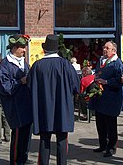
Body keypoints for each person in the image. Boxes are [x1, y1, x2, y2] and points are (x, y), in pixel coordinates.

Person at [28, 34, 80, 165]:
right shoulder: (66, 65)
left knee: (44, 140)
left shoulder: (37, 66)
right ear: (58, 49)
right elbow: (76, 86)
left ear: (45, 49)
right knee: (62, 140)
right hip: (62, 108)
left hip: (44, 108)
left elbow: (30, 86)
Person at [0, 34, 33, 165]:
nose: (24, 50)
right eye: (22, 48)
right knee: (17, 134)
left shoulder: (24, 63)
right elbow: (5, 87)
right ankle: (16, 161)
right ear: (14, 48)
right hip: (15, 106)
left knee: (27, 134)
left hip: (27, 104)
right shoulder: (5, 65)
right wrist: (20, 81)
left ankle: (24, 157)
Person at [88, 41, 123, 158]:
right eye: (104, 47)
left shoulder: (117, 63)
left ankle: (111, 147)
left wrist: (107, 82)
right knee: (100, 123)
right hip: (100, 98)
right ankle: (102, 145)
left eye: (107, 48)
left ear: (114, 50)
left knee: (111, 125)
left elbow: (121, 80)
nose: (104, 50)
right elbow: (98, 73)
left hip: (111, 98)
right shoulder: (101, 61)